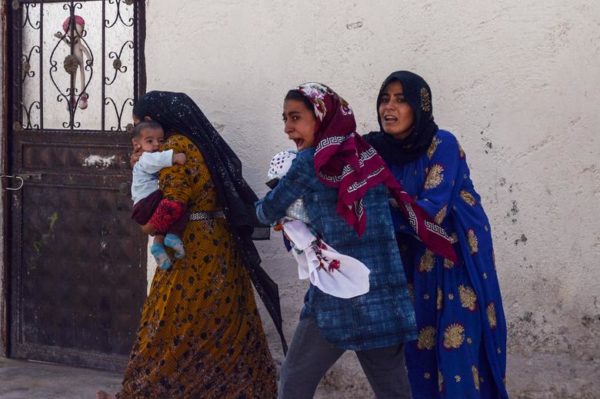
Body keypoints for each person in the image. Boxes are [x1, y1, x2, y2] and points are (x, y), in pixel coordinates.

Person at [256, 83, 453, 399]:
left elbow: (266, 212)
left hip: (337, 295)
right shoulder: (363, 152)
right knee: (394, 390)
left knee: (294, 382)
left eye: (295, 118)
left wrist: (285, 205)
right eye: (285, 119)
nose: (287, 128)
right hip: (383, 294)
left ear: (320, 117)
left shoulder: (309, 162)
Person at [98, 91, 284, 399]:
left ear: (149, 121)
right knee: (223, 322)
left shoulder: (175, 147)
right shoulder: (202, 145)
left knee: (171, 322)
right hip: (221, 243)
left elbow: (175, 199)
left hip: (192, 248)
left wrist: (148, 225)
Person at [365, 71, 509, 398]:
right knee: (418, 358)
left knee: (458, 356)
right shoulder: (375, 152)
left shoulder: (442, 142)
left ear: (420, 106)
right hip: (412, 268)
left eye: (401, 99)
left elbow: (433, 211)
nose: (390, 107)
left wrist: (374, 211)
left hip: (455, 264)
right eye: (385, 99)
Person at [130, 121, 186, 270]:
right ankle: (172, 236)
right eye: (150, 141)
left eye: (161, 141)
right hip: (146, 203)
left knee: (168, 215)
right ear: (137, 143)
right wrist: (174, 156)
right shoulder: (146, 158)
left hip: (144, 206)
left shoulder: (140, 159)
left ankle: (158, 245)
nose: (156, 145)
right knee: (176, 202)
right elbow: (159, 159)